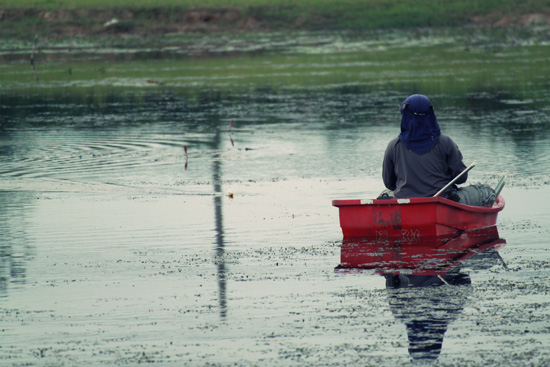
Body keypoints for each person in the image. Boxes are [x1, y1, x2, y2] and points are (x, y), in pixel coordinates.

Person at [380, 94, 495, 205]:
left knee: (385, 194)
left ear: (405, 116)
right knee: (486, 191)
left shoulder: (393, 145)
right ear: (430, 115)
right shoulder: (445, 142)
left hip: (406, 203)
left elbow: (389, 183)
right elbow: (461, 178)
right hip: (443, 202)